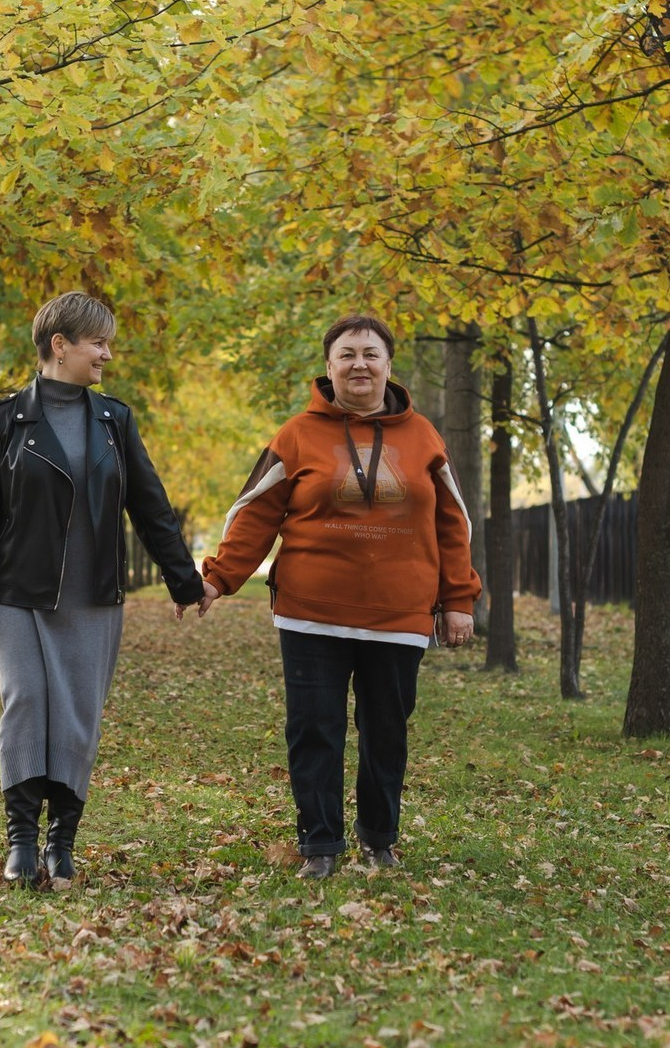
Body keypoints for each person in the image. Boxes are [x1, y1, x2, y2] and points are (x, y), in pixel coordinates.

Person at [186, 314, 481, 881]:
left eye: (370, 354)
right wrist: (219, 577)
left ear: (389, 366)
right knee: (313, 729)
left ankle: (378, 838)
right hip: (310, 615)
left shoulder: (424, 438)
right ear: (329, 367)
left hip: (399, 616)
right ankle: (320, 844)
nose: (359, 364)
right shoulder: (297, 434)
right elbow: (255, 514)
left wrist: (458, 600)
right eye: (347, 355)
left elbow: (453, 523)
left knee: (386, 731)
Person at [0, 291, 204, 888]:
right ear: (59, 346)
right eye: (98, 343)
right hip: (19, 593)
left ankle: (62, 843)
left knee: (76, 717)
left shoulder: (114, 421)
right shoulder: (5, 420)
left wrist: (183, 580)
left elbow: (151, 506)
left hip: (93, 596)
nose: (107, 355)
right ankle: (21, 843)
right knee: (28, 702)